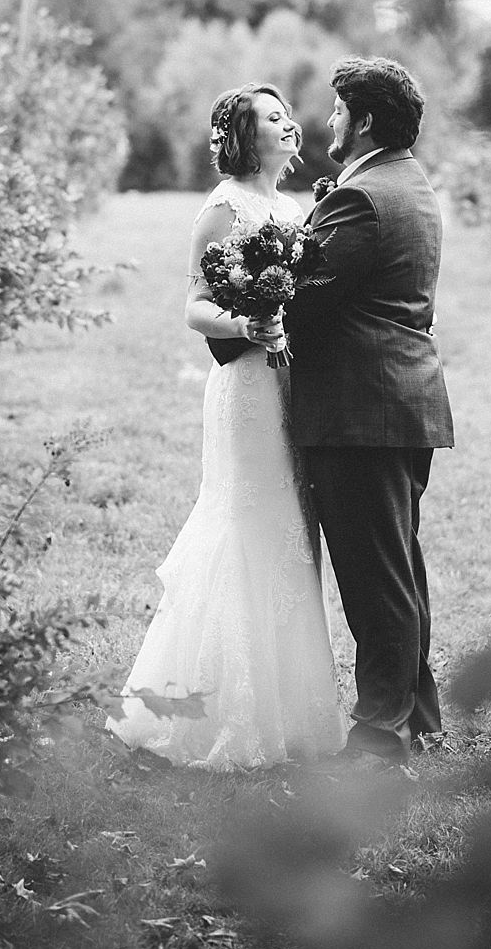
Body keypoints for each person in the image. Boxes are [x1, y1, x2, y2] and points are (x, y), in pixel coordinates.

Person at [107, 84, 345, 768]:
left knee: (290, 529)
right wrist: (248, 323)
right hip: (245, 389)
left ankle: (291, 707)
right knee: (245, 520)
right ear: (245, 136)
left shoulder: (291, 207)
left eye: (287, 115)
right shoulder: (224, 208)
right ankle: (214, 709)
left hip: (292, 382)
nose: (289, 124)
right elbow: (193, 306)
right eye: (272, 118)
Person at [288, 56, 455, 767]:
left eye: (336, 111)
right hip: (396, 403)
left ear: (367, 121)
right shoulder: (404, 181)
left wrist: (258, 289)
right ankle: (421, 716)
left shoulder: (364, 198)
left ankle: (379, 736)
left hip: (363, 409)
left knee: (374, 578)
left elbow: (305, 298)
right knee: (398, 566)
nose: (327, 121)